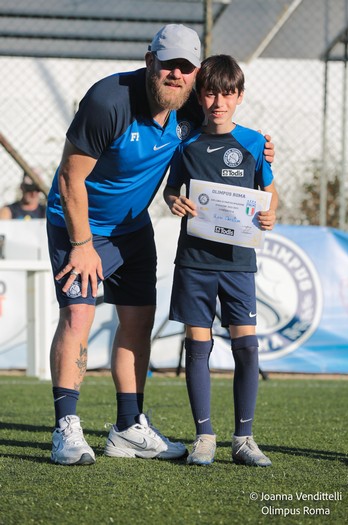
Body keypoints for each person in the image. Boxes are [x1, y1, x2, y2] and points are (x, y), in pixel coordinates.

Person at [46, 25, 275, 466]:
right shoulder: (107, 101)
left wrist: (262, 149)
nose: (177, 74)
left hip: (133, 231)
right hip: (78, 225)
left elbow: (227, 125)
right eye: (168, 63)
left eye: (186, 68)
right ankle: (66, 428)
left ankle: (128, 427)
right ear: (149, 59)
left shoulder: (192, 103)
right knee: (78, 313)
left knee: (137, 322)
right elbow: (69, 177)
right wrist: (81, 243)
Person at [163, 54, 278, 467]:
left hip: (238, 261)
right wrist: (174, 200)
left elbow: (269, 189)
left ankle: (244, 438)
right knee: (198, 345)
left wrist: (271, 213)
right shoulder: (187, 142)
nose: (218, 102)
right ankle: (204, 436)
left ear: (240, 96)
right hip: (194, 260)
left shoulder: (253, 142)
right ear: (201, 95)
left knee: (246, 345)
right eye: (210, 93)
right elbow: (171, 189)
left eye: (227, 94)